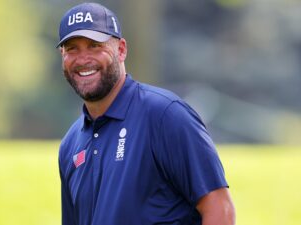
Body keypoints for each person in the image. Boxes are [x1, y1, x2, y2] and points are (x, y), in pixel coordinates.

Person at [57, 2, 235, 225]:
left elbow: (220, 209)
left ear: (121, 50)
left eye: (94, 45)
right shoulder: (70, 144)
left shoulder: (165, 115)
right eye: (72, 48)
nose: (83, 59)